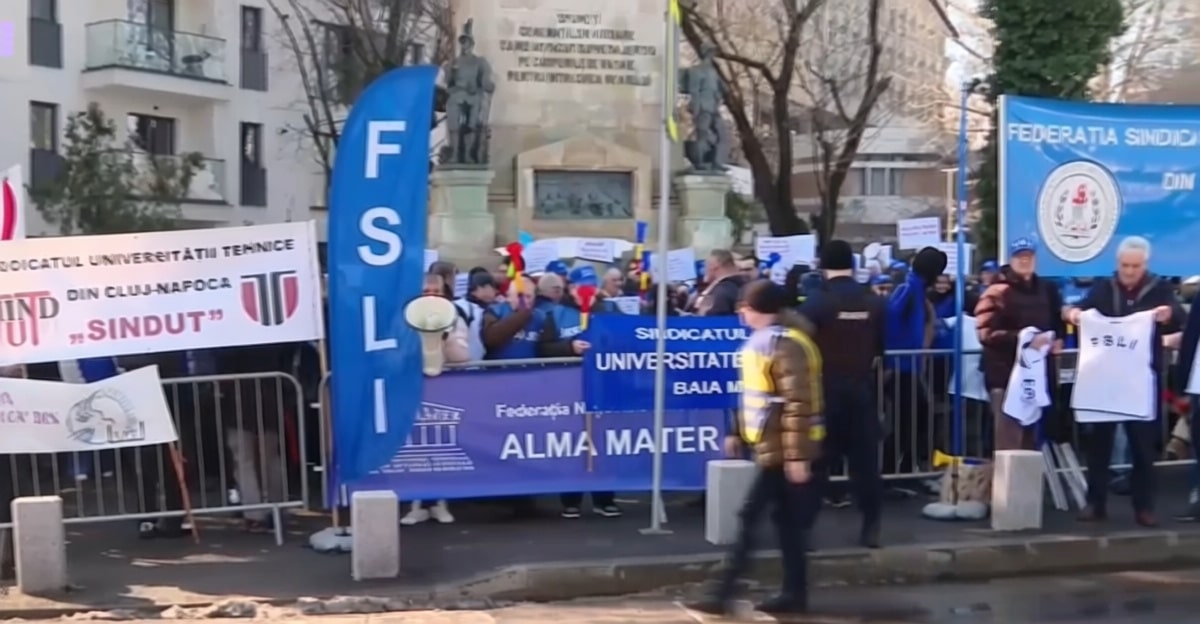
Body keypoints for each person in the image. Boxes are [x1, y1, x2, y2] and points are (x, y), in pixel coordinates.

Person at [688, 280, 825, 617]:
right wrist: (737, 430)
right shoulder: (770, 342)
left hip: (781, 449)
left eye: (745, 307)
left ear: (757, 309)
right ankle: (793, 594)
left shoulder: (784, 345)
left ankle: (722, 592)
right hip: (774, 445)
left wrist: (796, 456)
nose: (741, 313)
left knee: (751, 517)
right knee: (787, 524)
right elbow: (758, 393)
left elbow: (797, 403)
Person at [1063, 236, 1184, 527]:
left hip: (1142, 380)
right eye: (1125, 265)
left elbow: (1180, 315)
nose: (1129, 271)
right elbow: (1073, 309)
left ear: (1145, 265)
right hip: (1105, 379)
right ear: (1117, 263)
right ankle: (1095, 503)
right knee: (1099, 444)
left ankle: (1144, 507)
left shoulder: (1160, 288)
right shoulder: (1104, 287)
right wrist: (1073, 314)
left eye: (1135, 266)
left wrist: (1168, 314)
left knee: (1143, 447)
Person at [799, 240, 885, 548]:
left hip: (825, 392)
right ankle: (871, 527)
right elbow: (881, 346)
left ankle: (804, 530)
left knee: (818, 463)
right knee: (866, 466)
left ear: (822, 266)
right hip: (862, 391)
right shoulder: (873, 302)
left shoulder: (816, 303)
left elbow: (798, 346)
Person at [537, 265, 621, 518]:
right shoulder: (556, 314)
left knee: (604, 443)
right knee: (572, 443)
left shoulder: (610, 310)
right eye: (582, 286)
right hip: (569, 387)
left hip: (603, 385)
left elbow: (627, 339)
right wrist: (569, 347)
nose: (588, 291)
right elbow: (543, 348)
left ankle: (604, 498)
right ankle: (570, 499)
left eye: (592, 286)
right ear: (571, 288)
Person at [974, 238, 1065, 451]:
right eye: (1019, 257)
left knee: (1030, 443)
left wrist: (1058, 338)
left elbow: (1056, 319)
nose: (1025, 261)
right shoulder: (995, 292)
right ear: (1011, 260)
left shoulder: (1046, 289)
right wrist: (1023, 339)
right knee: (1009, 443)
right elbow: (985, 332)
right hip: (1005, 378)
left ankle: (1028, 475)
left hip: (1036, 380)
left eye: (1029, 256)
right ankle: (1006, 475)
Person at [401, 273, 471, 525]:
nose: (431, 296)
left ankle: (440, 502)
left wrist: (445, 339)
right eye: (426, 291)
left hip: (444, 389)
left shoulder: (454, 318)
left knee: (441, 448)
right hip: (411, 389)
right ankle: (415, 504)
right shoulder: (404, 317)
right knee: (415, 449)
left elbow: (463, 356)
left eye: (437, 292)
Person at [883, 247, 947, 479]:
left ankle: (906, 470)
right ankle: (891, 473)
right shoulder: (908, 290)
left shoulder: (916, 292)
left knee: (918, 420)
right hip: (901, 368)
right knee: (905, 424)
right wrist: (893, 359)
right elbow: (891, 322)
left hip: (910, 366)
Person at [690, 249, 747, 315]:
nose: (704, 270)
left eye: (706, 266)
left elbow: (714, 319)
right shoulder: (746, 286)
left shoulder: (721, 291)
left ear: (714, 266)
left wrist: (703, 312)